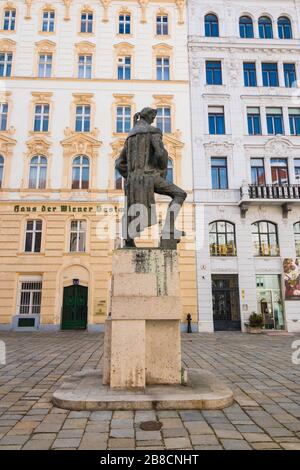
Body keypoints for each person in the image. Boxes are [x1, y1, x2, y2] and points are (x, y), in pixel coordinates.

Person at [115, 107, 187, 248]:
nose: (153, 120)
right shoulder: (154, 132)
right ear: (149, 117)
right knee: (180, 194)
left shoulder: (130, 136)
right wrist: (160, 169)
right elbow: (160, 154)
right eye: (153, 118)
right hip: (149, 176)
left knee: (131, 207)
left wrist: (130, 176)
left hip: (133, 179)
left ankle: (129, 241)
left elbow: (118, 163)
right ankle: (169, 229)